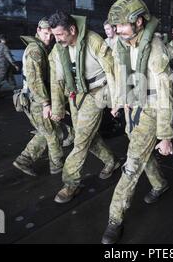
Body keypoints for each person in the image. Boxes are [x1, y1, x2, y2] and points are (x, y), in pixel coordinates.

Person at [101, 0, 173, 244]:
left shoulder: (155, 49)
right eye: (115, 25)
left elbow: (165, 94)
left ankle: (115, 219)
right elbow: (124, 76)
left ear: (139, 22)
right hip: (133, 110)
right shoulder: (125, 45)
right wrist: (121, 100)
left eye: (121, 25)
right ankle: (160, 184)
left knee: (131, 164)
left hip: (152, 110)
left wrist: (165, 136)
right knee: (143, 154)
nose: (116, 30)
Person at [48, 11, 120, 204]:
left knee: (80, 140)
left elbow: (112, 71)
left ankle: (70, 182)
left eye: (60, 35)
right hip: (75, 94)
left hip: (97, 93)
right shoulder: (58, 49)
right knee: (89, 135)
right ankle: (111, 161)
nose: (56, 39)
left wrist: (117, 101)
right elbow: (56, 80)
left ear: (72, 29)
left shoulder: (94, 41)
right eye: (54, 35)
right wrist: (57, 108)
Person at [12, 19, 65, 176]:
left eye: (51, 34)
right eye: (45, 33)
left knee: (46, 132)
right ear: (38, 30)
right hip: (36, 101)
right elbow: (35, 80)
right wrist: (45, 103)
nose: (48, 37)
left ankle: (24, 160)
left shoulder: (41, 47)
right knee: (53, 134)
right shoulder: (35, 49)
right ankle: (57, 166)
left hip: (34, 100)